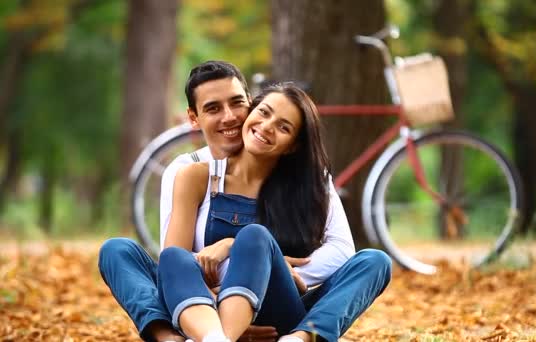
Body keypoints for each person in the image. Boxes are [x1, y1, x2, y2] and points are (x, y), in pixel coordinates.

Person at [98, 61, 391, 342]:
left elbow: (341, 249)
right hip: (202, 305)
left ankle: (302, 338)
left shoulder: (309, 178)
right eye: (213, 108)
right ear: (193, 118)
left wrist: (279, 266)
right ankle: (179, 338)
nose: (230, 117)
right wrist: (221, 315)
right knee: (120, 251)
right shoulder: (190, 172)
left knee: (373, 261)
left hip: (280, 308)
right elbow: (175, 263)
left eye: (237, 103)